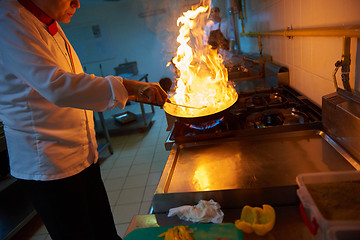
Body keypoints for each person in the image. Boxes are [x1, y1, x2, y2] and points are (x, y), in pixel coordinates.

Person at [0, 0, 167, 239]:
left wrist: (125, 88)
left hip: (80, 155)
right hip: (49, 164)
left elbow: (73, 78)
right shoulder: (8, 20)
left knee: (104, 234)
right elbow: (58, 86)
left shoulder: (45, 21)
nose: (77, 3)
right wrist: (126, 86)